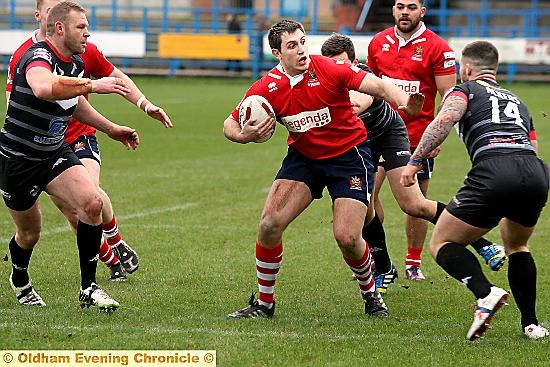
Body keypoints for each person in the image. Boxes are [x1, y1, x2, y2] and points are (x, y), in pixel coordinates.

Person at [223, 19, 424, 318]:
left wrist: (405, 101)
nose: (302, 50)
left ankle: (371, 294)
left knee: (347, 237)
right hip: (304, 159)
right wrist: (243, 135)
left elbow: (377, 85)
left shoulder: (328, 68)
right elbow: (229, 123)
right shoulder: (266, 88)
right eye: (292, 46)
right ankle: (265, 304)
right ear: (277, 54)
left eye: (303, 41)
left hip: (349, 156)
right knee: (268, 225)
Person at [320, 33, 505, 293]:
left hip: (389, 135)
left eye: (342, 63)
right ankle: (384, 267)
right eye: (331, 64)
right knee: (363, 205)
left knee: (414, 204)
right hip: (360, 144)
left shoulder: (361, 77)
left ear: (355, 62)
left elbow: (361, 101)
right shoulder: (319, 80)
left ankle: (482, 243)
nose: (337, 69)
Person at [6, 0, 173, 281]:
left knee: (89, 197)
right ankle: (110, 259)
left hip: (78, 134)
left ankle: (109, 252)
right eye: (51, 10)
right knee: (52, 221)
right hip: (33, 147)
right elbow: (23, 97)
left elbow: (116, 78)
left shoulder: (82, 51)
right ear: (44, 18)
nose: (85, 32)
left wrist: (144, 105)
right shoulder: (28, 55)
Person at [401, 40, 549, 340]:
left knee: (442, 243)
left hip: (495, 169)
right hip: (535, 172)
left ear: (466, 68)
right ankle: (532, 325)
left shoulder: (463, 90)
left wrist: (414, 162)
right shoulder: (517, 99)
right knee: (518, 246)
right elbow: (532, 145)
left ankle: (485, 293)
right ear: (494, 68)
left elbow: (444, 119)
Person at [367, 0, 506, 280]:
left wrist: (436, 137)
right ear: (393, 10)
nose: (404, 12)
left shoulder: (438, 48)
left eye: (411, 6)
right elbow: (370, 86)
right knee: (365, 199)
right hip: (377, 133)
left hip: (416, 139)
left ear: (422, 11)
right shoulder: (378, 42)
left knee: (416, 203)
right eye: (399, 6)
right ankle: (378, 257)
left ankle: (413, 262)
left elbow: (448, 96)